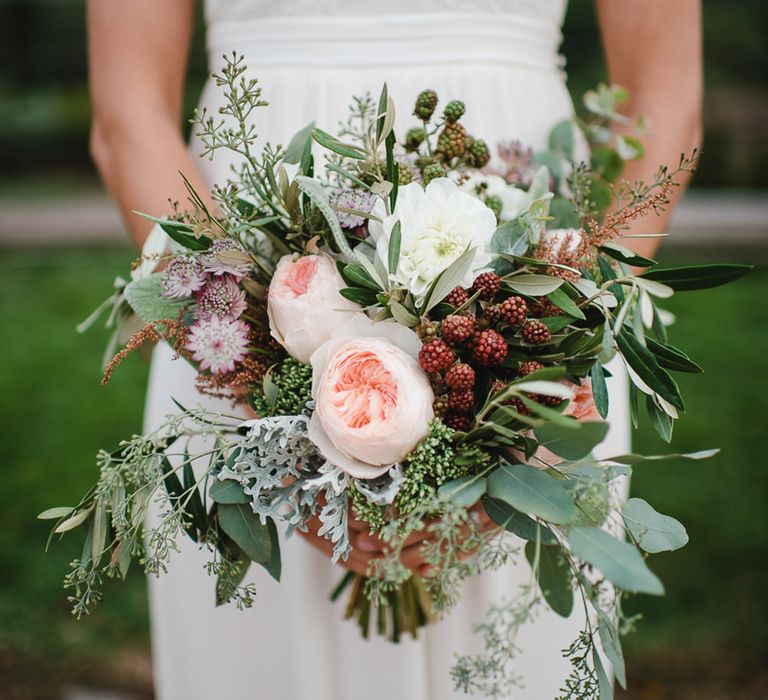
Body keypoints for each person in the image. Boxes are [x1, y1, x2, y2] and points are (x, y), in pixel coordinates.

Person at [87, 1, 702, 698]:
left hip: (536, 272)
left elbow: (665, 103)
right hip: (234, 281)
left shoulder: (548, 334)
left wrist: (562, 345)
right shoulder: (236, 339)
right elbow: (127, 113)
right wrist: (255, 378)